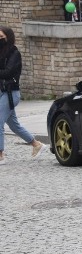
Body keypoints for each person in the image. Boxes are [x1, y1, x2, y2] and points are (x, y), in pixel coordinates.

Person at [0, 26, 47, 165]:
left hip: (11, 93)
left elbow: (8, 72)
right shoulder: (1, 53)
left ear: (8, 37)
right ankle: (36, 144)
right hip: (2, 92)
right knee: (14, 125)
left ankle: (0, 155)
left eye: (1, 37)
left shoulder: (14, 53)